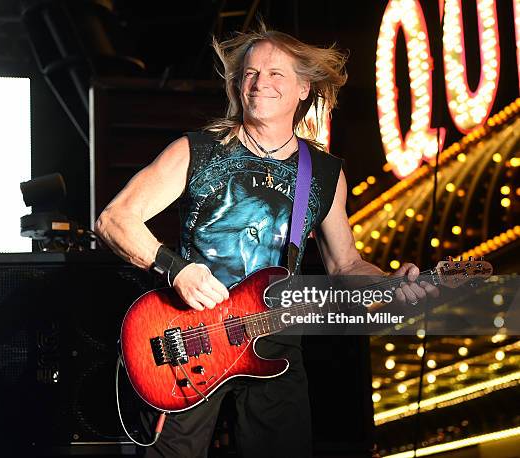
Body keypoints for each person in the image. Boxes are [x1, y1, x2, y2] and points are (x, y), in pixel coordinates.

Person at [95, 24, 438, 458]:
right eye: (251, 73)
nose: (260, 84)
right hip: (188, 338)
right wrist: (177, 269)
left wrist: (390, 283)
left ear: (303, 88)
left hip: (274, 341)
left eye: (276, 74)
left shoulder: (325, 174)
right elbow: (114, 219)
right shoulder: (198, 150)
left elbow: (345, 265)